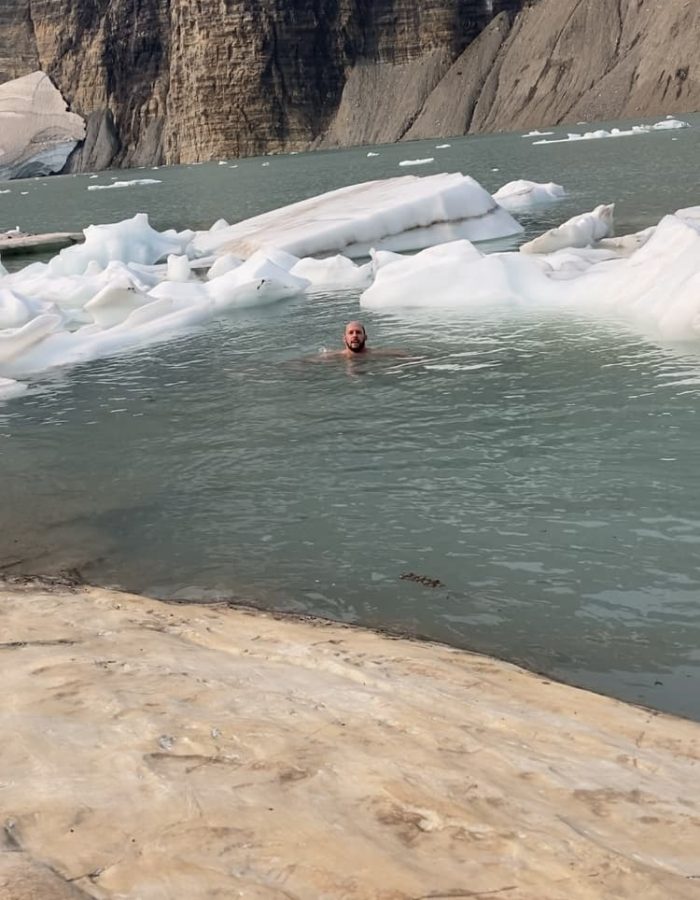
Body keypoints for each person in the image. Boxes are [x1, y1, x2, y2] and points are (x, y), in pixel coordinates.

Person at [320, 321, 413, 361]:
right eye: (351, 333)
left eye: (358, 332)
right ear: (344, 338)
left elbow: (406, 354)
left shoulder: (377, 353)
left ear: (365, 337)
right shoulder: (332, 357)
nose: (355, 335)